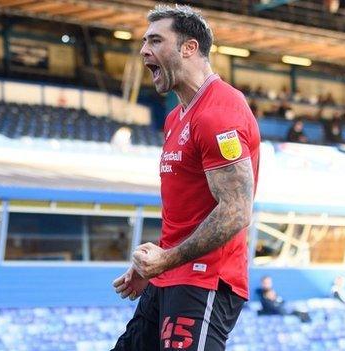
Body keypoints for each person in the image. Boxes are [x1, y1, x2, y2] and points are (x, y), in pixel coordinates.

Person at [111, 4, 260, 351]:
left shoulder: (219, 111)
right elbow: (190, 212)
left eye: (156, 40)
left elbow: (236, 211)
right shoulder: (176, 117)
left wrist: (165, 259)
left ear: (189, 48)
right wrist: (157, 262)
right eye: (145, 41)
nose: (144, 50)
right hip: (168, 277)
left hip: (204, 280)